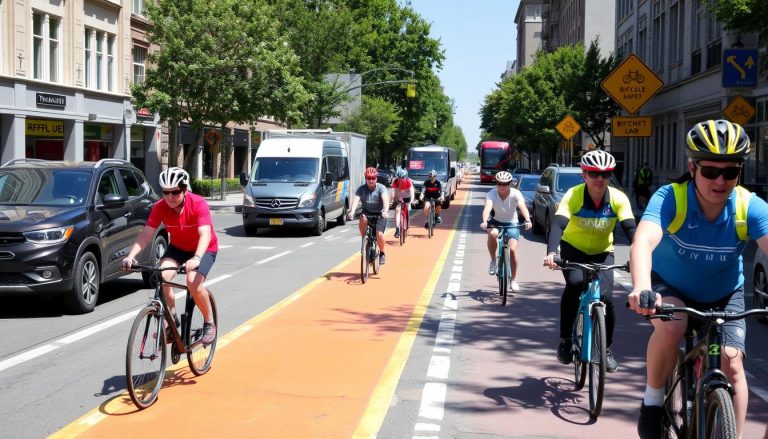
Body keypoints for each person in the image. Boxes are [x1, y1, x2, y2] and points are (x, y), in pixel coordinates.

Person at [627, 119, 768, 439]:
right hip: (670, 286)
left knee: (732, 365)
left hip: (725, 293)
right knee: (673, 325)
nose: (720, 180)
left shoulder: (749, 206)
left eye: (730, 172)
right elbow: (644, 241)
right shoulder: (672, 198)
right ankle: (651, 402)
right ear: (692, 168)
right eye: (710, 171)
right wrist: (641, 287)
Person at [543, 149, 636, 373]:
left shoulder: (618, 198)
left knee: (607, 298)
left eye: (605, 174)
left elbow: (632, 230)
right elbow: (557, 225)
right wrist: (551, 252)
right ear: (584, 174)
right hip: (573, 249)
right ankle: (565, 339)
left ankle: (606, 350)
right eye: (594, 173)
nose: (600, 179)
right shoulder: (573, 195)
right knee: (574, 285)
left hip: (603, 251)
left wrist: (639, 257)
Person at [122, 167, 218, 345]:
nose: (170, 197)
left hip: (204, 249)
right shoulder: (160, 207)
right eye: (166, 192)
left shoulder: (198, 203)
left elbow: (205, 234)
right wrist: (131, 256)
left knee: (192, 282)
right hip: (178, 248)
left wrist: (196, 258)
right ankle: (172, 321)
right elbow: (146, 234)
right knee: (162, 276)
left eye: (175, 192)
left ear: (184, 189)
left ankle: (209, 323)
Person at [480, 170, 532, 292]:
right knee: (492, 233)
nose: (502, 187)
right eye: (499, 184)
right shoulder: (491, 194)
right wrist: (485, 221)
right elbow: (487, 208)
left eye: (505, 184)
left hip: (512, 222)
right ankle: (493, 260)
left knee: (513, 250)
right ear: (496, 183)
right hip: (496, 221)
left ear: (510, 184)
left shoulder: (516, 193)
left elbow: (522, 206)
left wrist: (528, 220)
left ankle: (513, 280)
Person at [348, 167, 390, 265]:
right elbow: (356, 200)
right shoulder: (361, 189)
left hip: (380, 214)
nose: (371, 180)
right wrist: (352, 211)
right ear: (366, 178)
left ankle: (382, 253)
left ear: (376, 178)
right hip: (367, 212)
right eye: (368, 178)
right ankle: (364, 238)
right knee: (362, 218)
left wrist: (385, 211)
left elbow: (385, 200)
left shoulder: (381, 188)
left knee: (379, 234)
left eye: (373, 178)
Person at [390, 167, 415, 239]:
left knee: (408, 209)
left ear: (406, 177)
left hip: (407, 198)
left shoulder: (409, 182)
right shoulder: (395, 182)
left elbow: (412, 193)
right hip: (399, 198)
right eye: (399, 178)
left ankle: (407, 223)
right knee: (397, 210)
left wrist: (411, 201)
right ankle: (397, 229)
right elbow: (392, 192)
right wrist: (391, 201)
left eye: (402, 178)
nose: (400, 180)